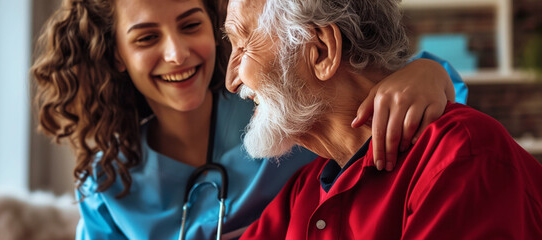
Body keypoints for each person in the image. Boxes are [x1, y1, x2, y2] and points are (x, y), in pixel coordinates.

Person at [31, 0, 466, 239]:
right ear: (116, 56)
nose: (177, 54)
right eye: (146, 38)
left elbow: (370, 74)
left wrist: (430, 73)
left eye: (191, 25)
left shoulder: (281, 107)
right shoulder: (106, 184)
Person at [222, 0, 542, 239]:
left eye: (243, 43)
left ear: (320, 50)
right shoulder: (300, 194)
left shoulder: (461, 155)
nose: (231, 78)